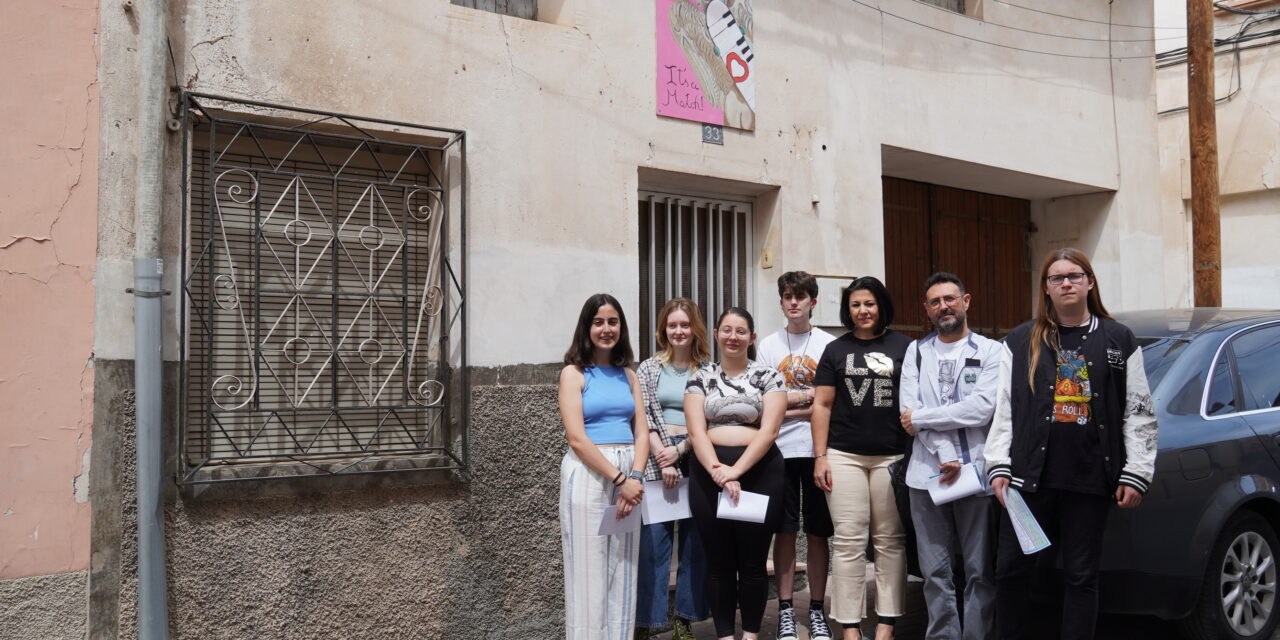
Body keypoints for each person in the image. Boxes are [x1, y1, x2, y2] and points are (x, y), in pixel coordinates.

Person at [984, 248, 1158, 640]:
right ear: (1045, 288)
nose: (1066, 283)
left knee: (1081, 577)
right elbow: (1004, 409)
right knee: (1010, 571)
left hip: (1089, 480)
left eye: (1074, 276)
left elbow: (1140, 410)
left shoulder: (1118, 339)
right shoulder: (1021, 339)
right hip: (1028, 482)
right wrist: (998, 463)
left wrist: (1136, 471)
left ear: (1089, 282)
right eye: (1056, 277)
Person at [899, 272, 1010, 640]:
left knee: (979, 570)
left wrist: (923, 417)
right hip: (927, 476)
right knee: (935, 572)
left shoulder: (993, 351)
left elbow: (981, 410)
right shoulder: (916, 353)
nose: (943, 306)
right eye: (935, 301)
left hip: (976, 473)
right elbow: (906, 412)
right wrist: (944, 450)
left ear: (966, 301)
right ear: (927, 310)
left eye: (950, 298)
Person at [812, 276, 912, 640]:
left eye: (869, 303)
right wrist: (820, 456)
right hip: (843, 455)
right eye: (856, 305)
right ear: (847, 310)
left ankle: (887, 624)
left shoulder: (905, 346)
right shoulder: (836, 350)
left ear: (881, 304)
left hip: (894, 456)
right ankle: (850, 628)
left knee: (890, 539)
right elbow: (821, 405)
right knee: (849, 540)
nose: (863, 310)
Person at [685, 307, 788, 640]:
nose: (733, 336)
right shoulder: (700, 376)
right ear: (715, 334)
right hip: (708, 472)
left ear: (752, 337)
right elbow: (696, 432)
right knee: (719, 563)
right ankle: (726, 635)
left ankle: (751, 635)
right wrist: (718, 470)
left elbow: (769, 430)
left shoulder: (769, 376)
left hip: (760, 472)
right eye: (726, 330)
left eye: (741, 331)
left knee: (754, 563)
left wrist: (735, 472)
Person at [557, 293, 650, 640]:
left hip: (630, 475)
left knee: (623, 571)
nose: (606, 329)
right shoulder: (573, 373)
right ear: (587, 327)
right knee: (588, 570)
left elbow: (641, 430)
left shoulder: (629, 374)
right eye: (598, 322)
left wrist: (636, 478)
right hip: (590, 474)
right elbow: (577, 439)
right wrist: (621, 479)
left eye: (613, 322)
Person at [755, 271, 836, 640]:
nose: (793, 303)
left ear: (813, 302)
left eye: (800, 297)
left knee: (819, 532)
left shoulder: (829, 345)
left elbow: (832, 403)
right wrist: (810, 401)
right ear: (781, 301)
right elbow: (763, 404)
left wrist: (790, 404)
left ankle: (817, 610)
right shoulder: (769, 346)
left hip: (820, 450)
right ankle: (787, 611)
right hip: (779, 450)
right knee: (784, 531)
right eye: (787, 296)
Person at [634, 298, 711, 640]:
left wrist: (681, 450)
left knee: (696, 544)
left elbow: (713, 418)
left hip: (698, 457)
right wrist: (663, 454)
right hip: (654, 460)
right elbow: (644, 415)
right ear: (663, 330)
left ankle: (685, 619)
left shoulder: (708, 370)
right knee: (653, 545)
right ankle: (648, 623)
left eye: (684, 325)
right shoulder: (648, 368)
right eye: (672, 325)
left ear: (695, 328)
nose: (678, 331)